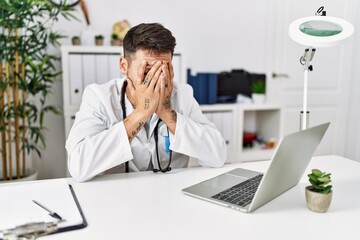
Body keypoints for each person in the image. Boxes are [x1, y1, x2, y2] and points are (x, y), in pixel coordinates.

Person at [66, 23, 227, 182]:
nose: (156, 78)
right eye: (147, 70)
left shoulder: (183, 94)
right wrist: (141, 113)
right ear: (124, 66)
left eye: (163, 69)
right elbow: (78, 167)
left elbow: (217, 155)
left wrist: (166, 112)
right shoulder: (99, 96)